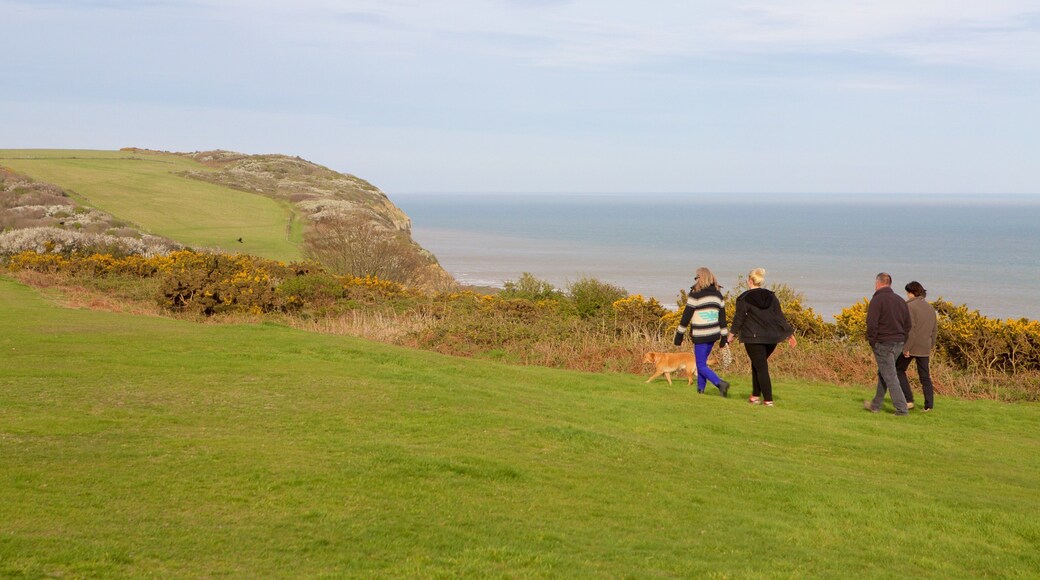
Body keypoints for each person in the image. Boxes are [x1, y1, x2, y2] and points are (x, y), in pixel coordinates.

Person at [728, 268, 797, 406]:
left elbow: (739, 319)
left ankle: (768, 399)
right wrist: (790, 334)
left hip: (754, 338)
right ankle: (755, 395)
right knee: (758, 364)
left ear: (750, 281)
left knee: (761, 367)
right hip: (772, 338)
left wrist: (731, 335)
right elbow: (779, 317)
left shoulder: (743, 298)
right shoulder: (771, 296)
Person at [674, 267, 730, 396]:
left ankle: (720, 383)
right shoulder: (718, 294)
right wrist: (724, 337)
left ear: (701, 278)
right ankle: (701, 390)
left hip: (701, 334)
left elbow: (686, 315)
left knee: (700, 365)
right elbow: (722, 317)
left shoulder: (695, 294)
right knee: (702, 362)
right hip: (714, 334)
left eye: (696, 277)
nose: (696, 280)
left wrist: (679, 335)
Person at [863, 272, 912, 415]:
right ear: (889, 283)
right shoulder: (900, 301)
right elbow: (908, 325)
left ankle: (902, 409)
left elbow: (871, 324)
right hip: (898, 343)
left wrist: (873, 341)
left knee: (890, 376)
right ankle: (876, 405)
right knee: (884, 373)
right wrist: (903, 340)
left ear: (877, 283)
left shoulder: (877, 300)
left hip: (883, 342)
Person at [897, 281, 938, 412]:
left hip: (912, 345)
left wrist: (906, 348)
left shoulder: (910, 307)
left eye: (907, 293)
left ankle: (909, 400)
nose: (907, 296)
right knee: (925, 376)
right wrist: (930, 345)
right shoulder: (930, 308)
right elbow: (934, 330)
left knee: (898, 370)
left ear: (912, 293)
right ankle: (929, 406)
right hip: (925, 346)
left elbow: (910, 330)